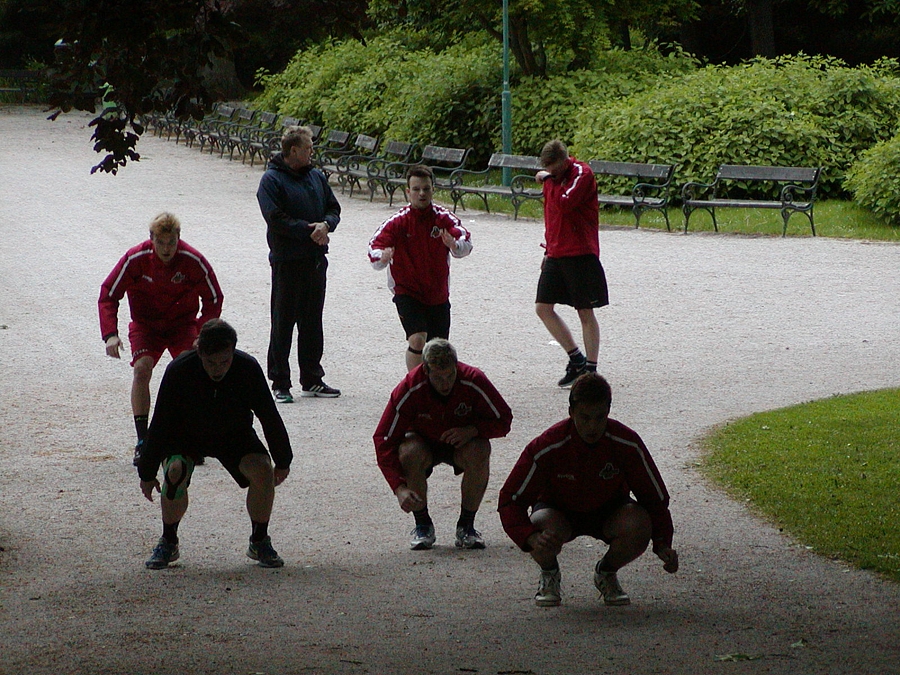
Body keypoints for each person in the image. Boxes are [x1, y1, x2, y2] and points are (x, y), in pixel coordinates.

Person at [498, 372, 678, 607]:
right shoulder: (547, 446)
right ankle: (549, 572)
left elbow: (654, 498)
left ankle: (607, 572)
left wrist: (663, 543)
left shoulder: (627, 443)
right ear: (571, 412)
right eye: (584, 417)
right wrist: (529, 537)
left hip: (611, 511)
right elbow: (511, 499)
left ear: (609, 411)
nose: (592, 426)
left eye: (599, 417)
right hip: (557, 512)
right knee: (540, 526)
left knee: (639, 523)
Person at [137, 319, 293, 569]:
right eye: (211, 362)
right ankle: (168, 540)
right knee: (175, 472)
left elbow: (269, 416)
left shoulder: (248, 368)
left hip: (233, 434)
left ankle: (259, 540)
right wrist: (146, 472)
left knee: (263, 469)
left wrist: (283, 460)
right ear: (199, 352)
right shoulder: (179, 370)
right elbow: (160, 423)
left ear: (233, 351)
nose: (218, 369)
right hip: (185, 435)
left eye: (225, 361)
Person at [99, 212, 223, 466]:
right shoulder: (135, 258)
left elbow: (213, 297)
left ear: (179, 238)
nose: (167, 249)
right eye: (161, 243)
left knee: (192, 371)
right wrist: (110, 334)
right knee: (141, 369)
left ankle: (190, 436)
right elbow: (109, 293)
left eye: (172, 243)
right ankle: (143, 440)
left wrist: (202, 333)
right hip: (146, 326)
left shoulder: (193, 259)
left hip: (182, 325)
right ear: (151, 239)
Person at [373, 338, 513, 550]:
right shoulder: (409, 388)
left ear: (457, 366)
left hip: (463, 444)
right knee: (409, 452)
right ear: (425, 370)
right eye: (438, 377)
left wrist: (473, 430)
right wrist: (398, 487)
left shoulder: (474, 380)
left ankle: (466, 526)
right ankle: (422, 525)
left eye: (450, 375)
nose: (445, 384)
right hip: (422, 443)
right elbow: (383, 439)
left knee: (480, 449)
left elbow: (504, 419)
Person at [256, 125, 341, 402]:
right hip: (287, 261)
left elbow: (334, 207)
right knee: (283, 322)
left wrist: (326, 225)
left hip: (315, 260)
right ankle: (280, 381)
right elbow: (276, 219)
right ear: (293, 151)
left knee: (312, 322)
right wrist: (309, 230)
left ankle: (312, 378)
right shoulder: (271, 181)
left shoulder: (316, 176)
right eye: (308, 148)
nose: (312, 152)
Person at [367, 165, 473, 370]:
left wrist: (454, 245)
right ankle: (415, 383)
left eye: (426, 189)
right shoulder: (398, 222)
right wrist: (383, 257)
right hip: (407, 291)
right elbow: (374, 247)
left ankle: (437, 384)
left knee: (439, 348)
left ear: (433, 189)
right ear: (408, 192)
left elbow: (465, 241)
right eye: (416, 189)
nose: (421, 194)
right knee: (417, 339)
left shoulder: (443, 218)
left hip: (437, 293)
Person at [534, 139, 608, 388]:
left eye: (554, 167)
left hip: (580, 252)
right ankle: (576, 359)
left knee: (584, 311)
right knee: (543, 307)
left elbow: (565, 204)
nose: (551, 171)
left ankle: (591, 370)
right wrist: (548, 248)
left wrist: (548, 180)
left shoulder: (582, 174)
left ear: (564, 160)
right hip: (556, 251)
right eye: (548, 168)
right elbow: (551, 216)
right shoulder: (552, 180)